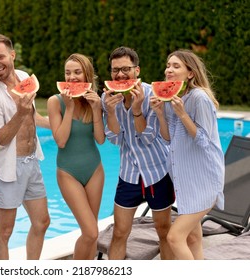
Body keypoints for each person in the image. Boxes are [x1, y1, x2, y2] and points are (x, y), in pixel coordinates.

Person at [0, 26, 50, 260]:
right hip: (9, 168)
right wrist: (19, 113)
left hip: (32, 163)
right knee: (5, 230)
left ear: (12, 55)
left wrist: (65, 123)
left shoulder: (23, 76)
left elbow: (34, 118)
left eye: (0, 57)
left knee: (42, 222)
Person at [150, 49, 224, 260]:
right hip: (185, 182)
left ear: (190, 73)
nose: (169, 70)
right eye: (168, 65)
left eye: (176, 66)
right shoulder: (173, 98)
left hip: (204, 180)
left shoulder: (199, 98)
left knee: (174, 237)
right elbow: (167, 139)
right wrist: (159, 113)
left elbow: (204, 140)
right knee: (192, 239)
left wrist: (182, 114)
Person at [101, 46, 175, 260]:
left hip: (158, 173)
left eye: (125, 69)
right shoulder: (109, 98)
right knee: (119, 232)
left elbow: (148, 136)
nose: (120, 75)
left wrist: (137, 108)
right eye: (115, 70)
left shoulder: (152, 94)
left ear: (137, 70)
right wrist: (111, 112)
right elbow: (114, 139)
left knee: (164, 232)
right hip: (129, 174)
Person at [47, 53, 105, 260]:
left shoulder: (93, 101)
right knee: (90, 232)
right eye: (67, 73)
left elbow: (100, 139)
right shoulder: (56, 102)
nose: (71, 78)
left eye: (77, 72)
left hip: (95, 170)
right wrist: (70, 108)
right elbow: (61, 141)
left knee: (92, 233)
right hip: (68, 172)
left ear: (87, 75)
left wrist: (97, 109)